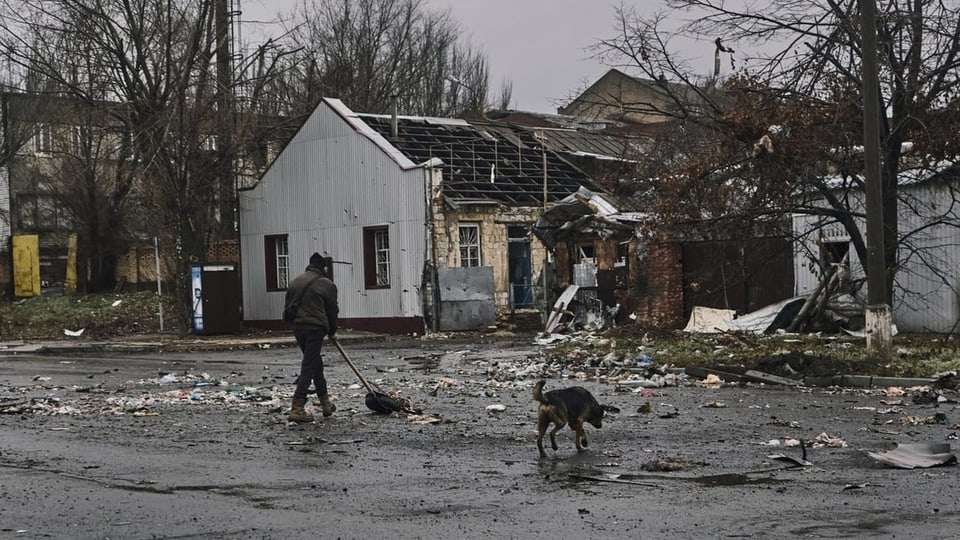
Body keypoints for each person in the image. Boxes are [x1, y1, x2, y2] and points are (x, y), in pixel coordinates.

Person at [284, 252, 339, 423]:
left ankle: (325, 404)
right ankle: (297, 407)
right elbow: (332, 311)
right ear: (323, 267)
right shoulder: (327, 284)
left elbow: (287, 307)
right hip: (315, 328)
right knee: (309, 365)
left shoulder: (295, 281)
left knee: (315, 364)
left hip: (298, 328)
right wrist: (332, 331)